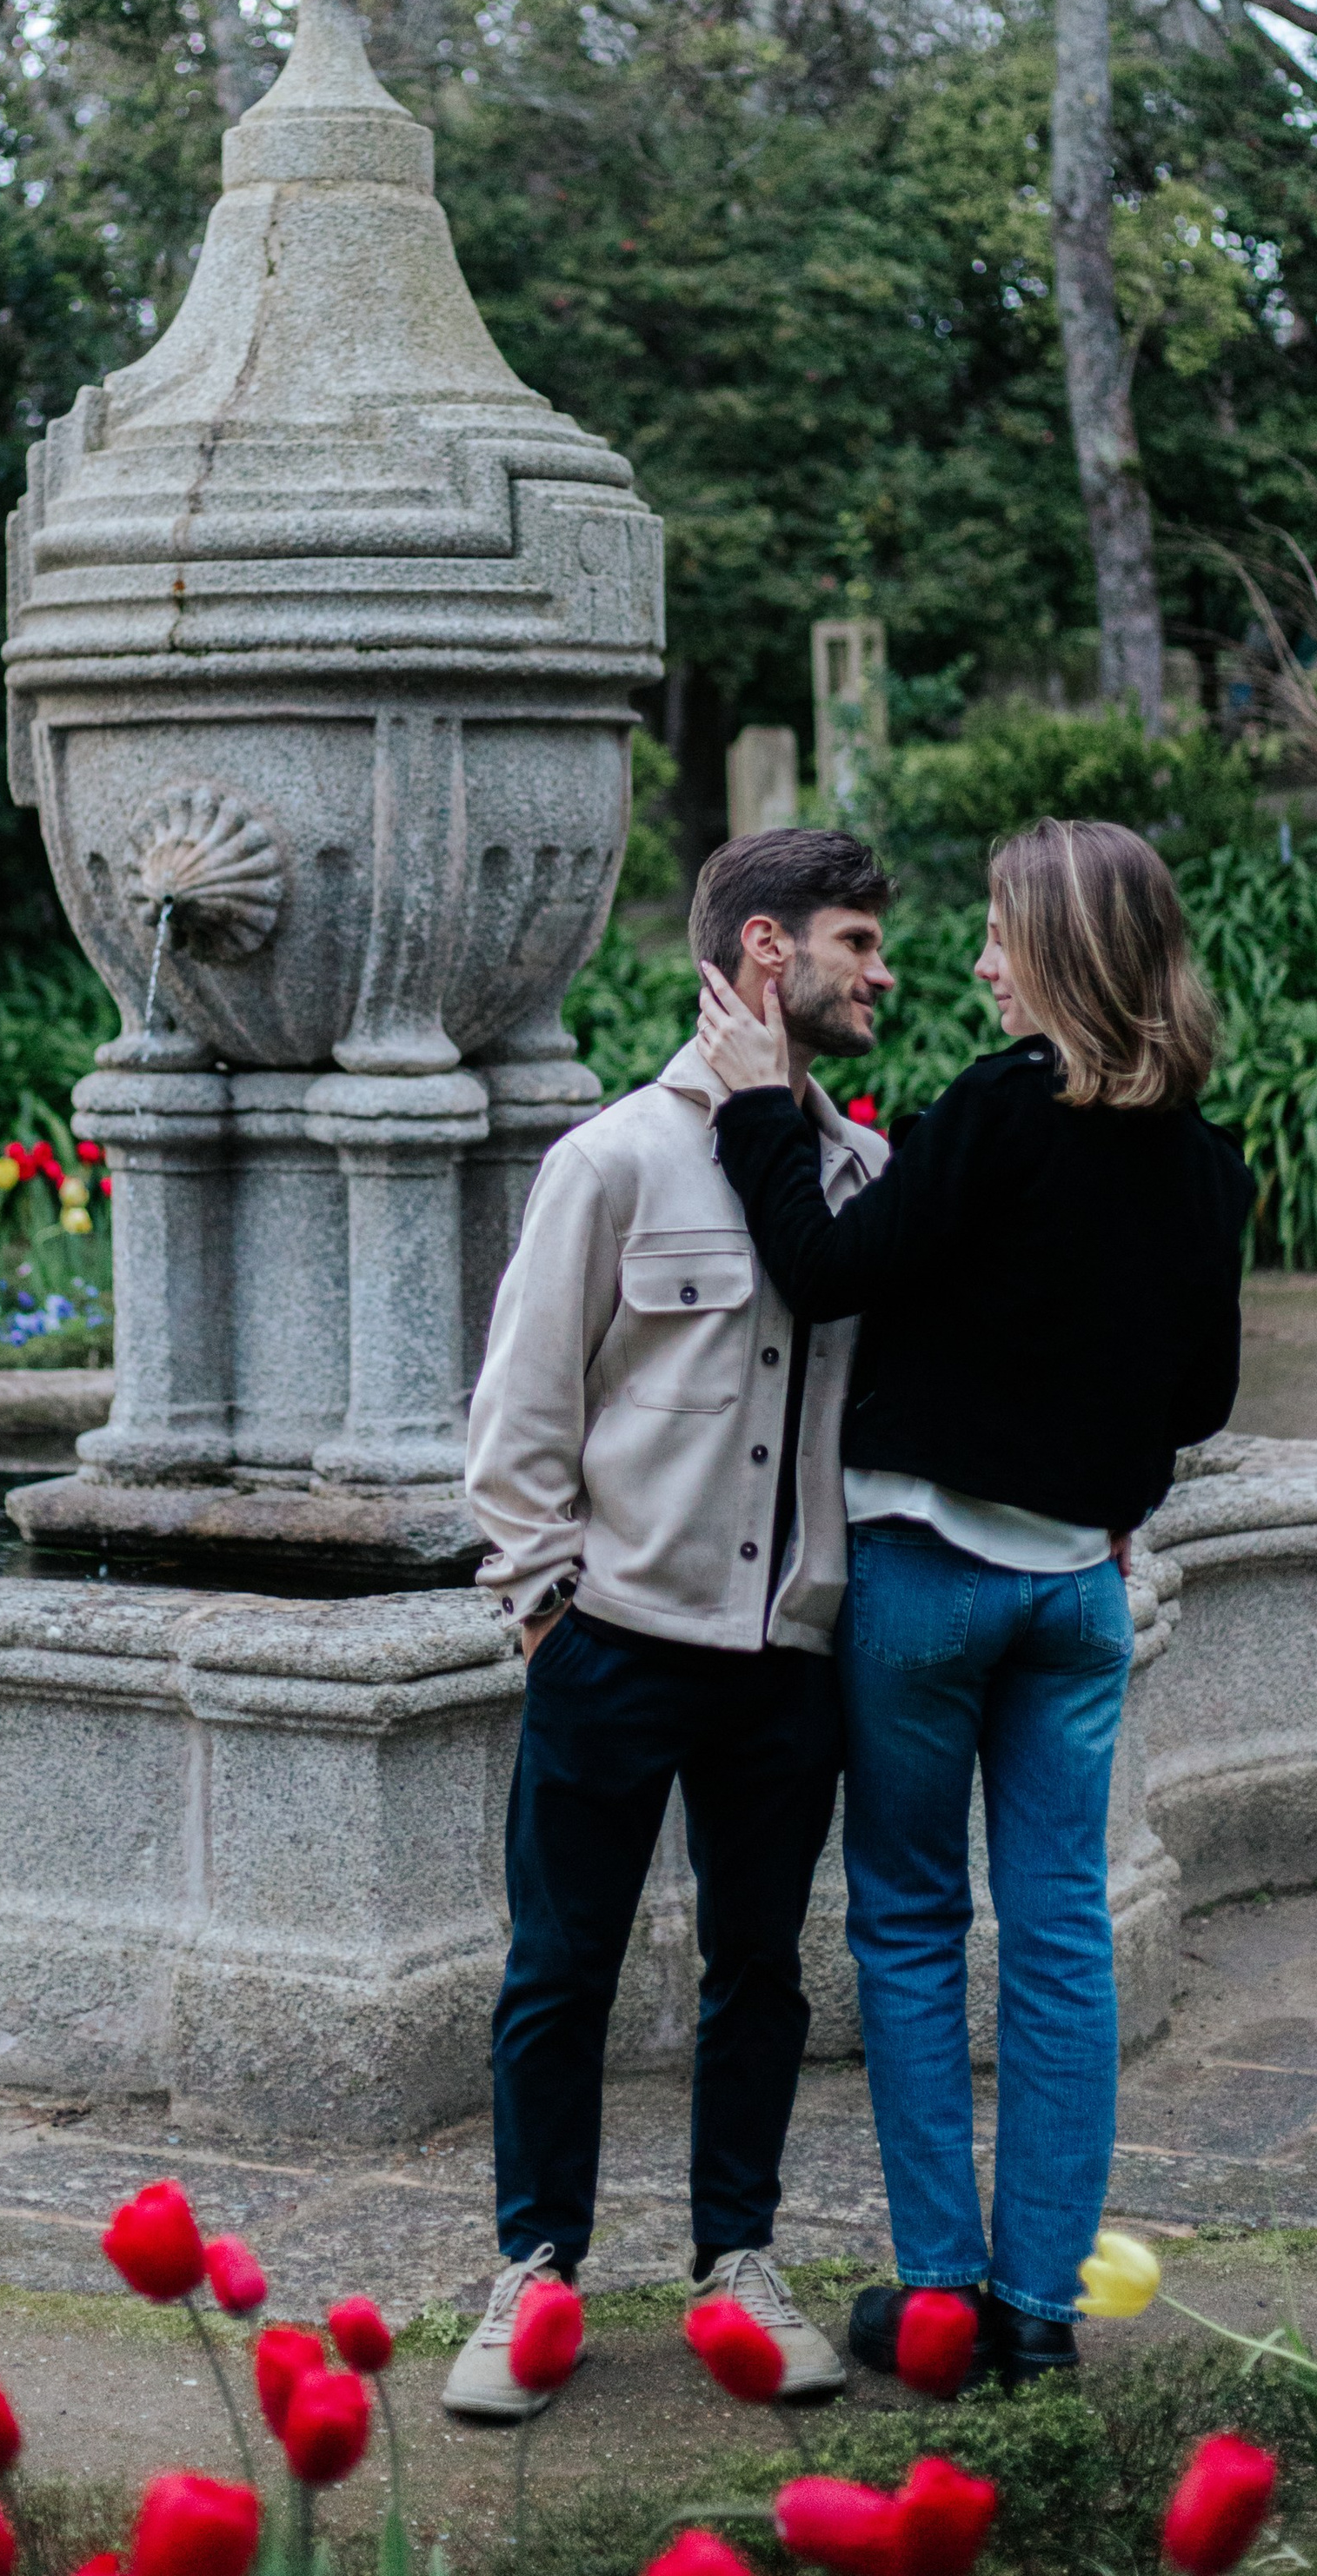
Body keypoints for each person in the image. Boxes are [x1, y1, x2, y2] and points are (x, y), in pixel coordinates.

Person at [695, 814, 1250, 2392]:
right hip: (1076, 1593)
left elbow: (823, 1264)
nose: (985, 960)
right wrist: (1099, 1479)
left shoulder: (1002, 1110)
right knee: (1063, 1938)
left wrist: (753, 1115)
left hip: (929, 1587)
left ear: (1065, 955)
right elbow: (1197, 1399)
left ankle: (939, 2300)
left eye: (1008, 935)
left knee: (918, 1925)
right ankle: (1039, 2313)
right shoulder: (1207, 1162)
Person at [443, 829, 897, 2423]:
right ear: (769, 955)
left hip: (788, 1664)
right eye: (856, 941)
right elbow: (519, 1418)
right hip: (613, 1647)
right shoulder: (613, 1161)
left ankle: (737, 2262)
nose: (880, 973)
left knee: (760, 1970)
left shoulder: (854, 1175)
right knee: (556, 1970)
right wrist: (547, 1615)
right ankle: (533, 2273)